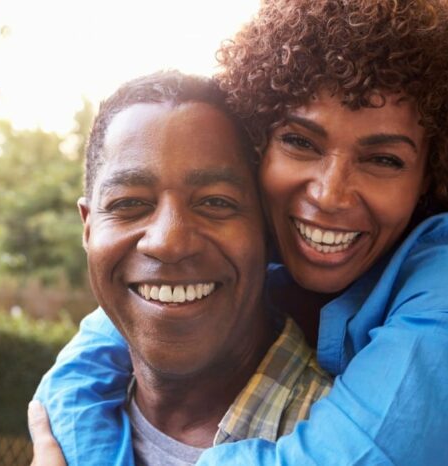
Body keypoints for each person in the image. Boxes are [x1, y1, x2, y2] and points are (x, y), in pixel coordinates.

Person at [31, 0, 448, 465]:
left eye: (383, 159)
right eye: (300, 142)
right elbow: (95, 355)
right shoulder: (265, 231)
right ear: (260, 144)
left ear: (430, 177)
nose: (329, 194)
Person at [55, 70, 334, 465]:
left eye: (215, 202)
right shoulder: (60, 425)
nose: (168, 242)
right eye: (129, 203)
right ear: (88, 228)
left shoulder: (363, 445)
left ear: (267, 229)